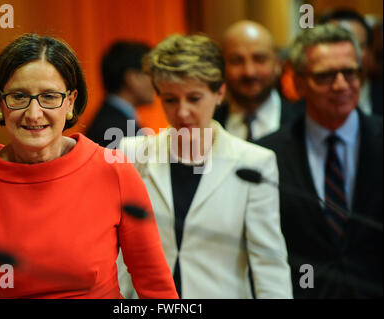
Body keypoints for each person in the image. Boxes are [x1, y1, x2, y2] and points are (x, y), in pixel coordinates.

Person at [0, 34, 178, 299]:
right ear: (0, 102)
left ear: (71, 102)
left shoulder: (114, 171)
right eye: (18, 96)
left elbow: (156, 289)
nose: (34, 113)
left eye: (49, 96)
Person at [117, 34, 292, 299]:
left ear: (219, 92)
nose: (183, 112)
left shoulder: (254, 162)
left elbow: (269, 264)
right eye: (171, 100)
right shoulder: (133, 153)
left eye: (194, 98)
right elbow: (120, 254)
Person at [258, 24, 383, 298]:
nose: (341, 85)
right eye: (325, 76)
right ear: (299, 83)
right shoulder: (267, 154)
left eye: (350, 73)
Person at [213, 20, 303, 142]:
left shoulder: (303, 121)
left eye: (259, 59)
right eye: (236, 61)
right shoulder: (207, 124)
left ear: (277, 64)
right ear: (221, 66)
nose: (249, 72)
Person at [85, 41, 154, 148]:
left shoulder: (111, 118)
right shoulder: (115, 128)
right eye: (151, 73)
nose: (156, 81)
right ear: (133, 78)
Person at [319, 9, 382, 116]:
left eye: (356, 46)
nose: (343, 55)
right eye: (334, 45)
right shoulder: (295, 114)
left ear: (370, 51)